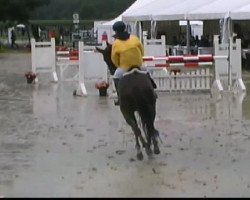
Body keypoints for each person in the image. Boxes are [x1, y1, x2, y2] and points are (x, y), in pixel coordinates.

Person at [111, 21, 157, 105]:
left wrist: (119, 65)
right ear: (125, 29)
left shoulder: (116, 43)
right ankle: (153, 90)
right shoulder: (134, 38)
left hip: (125, 66)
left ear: (116, 31)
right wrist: (140, 60)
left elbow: (114, 58)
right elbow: (142, 51)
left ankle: (119, 98)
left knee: (116, 77)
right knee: (147, 72)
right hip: (139, 64)